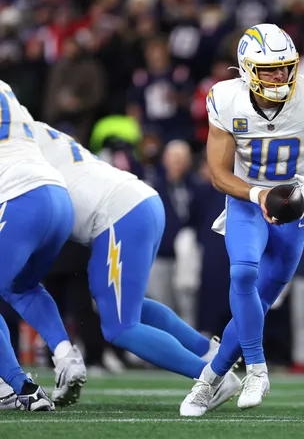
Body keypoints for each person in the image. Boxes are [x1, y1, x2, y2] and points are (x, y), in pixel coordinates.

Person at [179, 23, 304, 415]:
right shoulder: (227, 99)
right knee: (243, 274)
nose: (279, 75)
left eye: (285, 66)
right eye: (269, 68)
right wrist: (260, 193)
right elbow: (218, 174)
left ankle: (209, 380)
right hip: (248, 200)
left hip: (294, 207)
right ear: (247, 68)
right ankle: (258, 369)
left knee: (259, 300)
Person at [28, 119, 220, 386]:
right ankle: (208, 351)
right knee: (128, 305)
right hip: (137, 202)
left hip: (118, 216)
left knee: (120, 327)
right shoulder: (33, 131)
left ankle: (213, 377)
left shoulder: (17, 150)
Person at [0, 80, 83, 411]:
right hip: (57, 197)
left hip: (19, 198)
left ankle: (20, 387)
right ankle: (65, 354)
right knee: (20, 286)